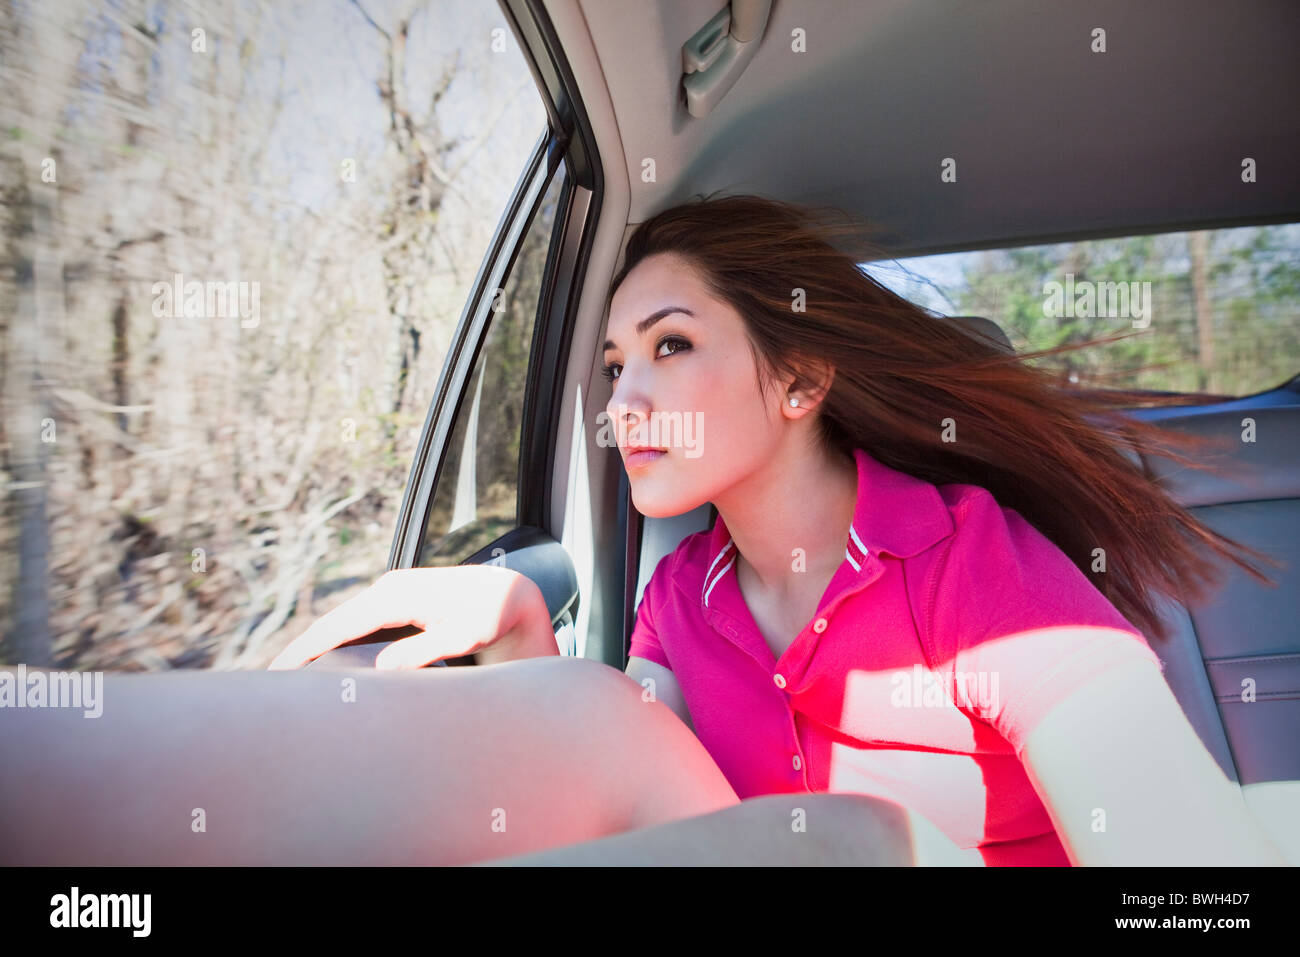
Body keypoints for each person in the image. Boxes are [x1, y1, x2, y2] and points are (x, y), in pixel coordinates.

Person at [269, 194, 1287, 866]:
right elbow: (631, 791)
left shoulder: (973, 570)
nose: (626, 398)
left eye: (671, 344)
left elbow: (1195, 882)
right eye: (617, 365)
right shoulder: (678, 600)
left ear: (800, 378)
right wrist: (521, 627)